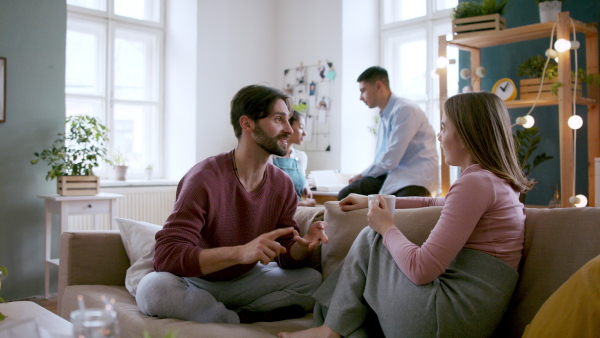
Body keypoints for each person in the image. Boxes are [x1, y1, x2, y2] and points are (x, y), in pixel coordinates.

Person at [279, 92, 533, 337]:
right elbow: (433, 201)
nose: (438, 135)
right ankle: (334, 327)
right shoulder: (496, 182)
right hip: (467, 320)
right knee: (368, 271)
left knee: (372, 237)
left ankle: (329, 329)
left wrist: (386, 227)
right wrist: (371, 200)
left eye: (444, 127)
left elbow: (421, 269)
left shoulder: (476, 183)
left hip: (445, 320)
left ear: (466, 135)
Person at [135, 84, 328, 324]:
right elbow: (166, 255)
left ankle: (228, 314)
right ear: (247, 124)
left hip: (246, 280)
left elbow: (284, 254)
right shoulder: (204, 177)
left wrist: (302, 245)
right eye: (279, 119)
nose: (289, 130)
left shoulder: (283, 184)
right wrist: (241, 253)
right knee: (153, 289)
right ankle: (234, 318)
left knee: (312, 281)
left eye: (288, 120)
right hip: (196, 280)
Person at [337, 66, 439, 200]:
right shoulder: (384, 115)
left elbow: (391, 158)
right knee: (347, 195)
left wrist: (362, 175)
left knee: (401, 207)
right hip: (392, 176)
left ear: (379, 86)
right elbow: (383, 158)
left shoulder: (404, 110)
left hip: (415, 179)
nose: (360, 98)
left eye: (363, 91)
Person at [272, 111, 316, 207]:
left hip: (298, 212)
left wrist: (306, 188)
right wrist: (302, 204)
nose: (305, 133)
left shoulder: (300, 156)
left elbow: (301, 184)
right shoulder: (270, 158)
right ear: (287, 127)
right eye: (301, 128)